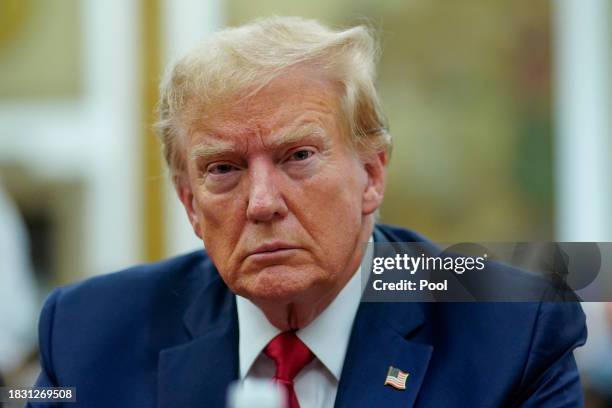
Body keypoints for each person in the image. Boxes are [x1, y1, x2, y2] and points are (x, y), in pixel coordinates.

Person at [29, 17, 586, 407]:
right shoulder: (86, 336)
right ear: (189, 202)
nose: (263, 202)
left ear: (372, 174)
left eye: (298, 157)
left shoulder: (513, 330)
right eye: (223, 169)